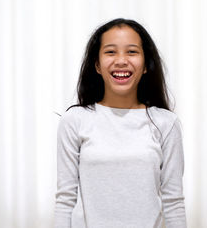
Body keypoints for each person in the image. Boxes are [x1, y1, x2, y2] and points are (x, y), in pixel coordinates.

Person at [54, 18, 187, 228]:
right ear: (97, 65)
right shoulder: (75, 120)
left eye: (132, 52)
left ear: (145, 66)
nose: (121, 60)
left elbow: (173, 202)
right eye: (110, 52)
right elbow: (65, 200)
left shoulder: (166, 123)